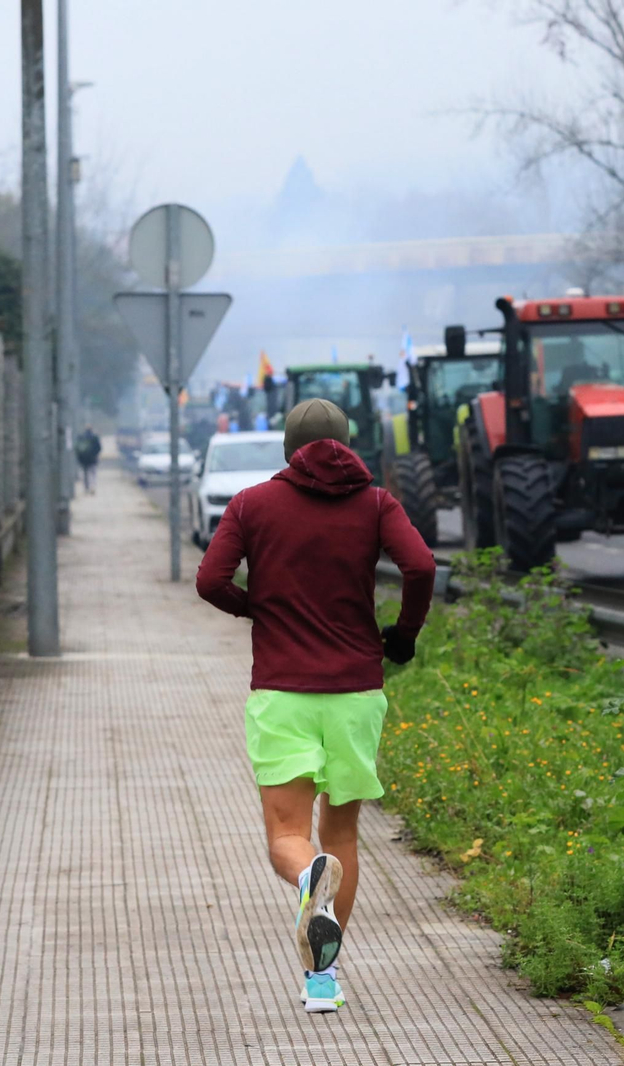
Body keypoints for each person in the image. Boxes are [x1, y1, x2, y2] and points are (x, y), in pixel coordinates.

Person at [195, 398, 435, 1014]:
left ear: (287, 445)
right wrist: (402, 635)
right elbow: (420, 565)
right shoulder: (377, 502)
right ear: (348, 441)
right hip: (356, 693)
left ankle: (308, 881)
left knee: (287, 836)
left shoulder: (251, 504)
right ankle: (321, 979)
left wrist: (256, 608)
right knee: (342, 833)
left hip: (282, 693)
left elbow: (210, 580)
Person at [75, 425, 102, 494]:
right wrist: (94, 454)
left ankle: (86, 487)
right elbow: (99, 448)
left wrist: (80, 457)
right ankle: (92, 487)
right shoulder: (94, 438)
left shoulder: (81, 437)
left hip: (83, 460)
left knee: (85, 474)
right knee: (93, 473)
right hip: (92, 459)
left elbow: (77, 448)